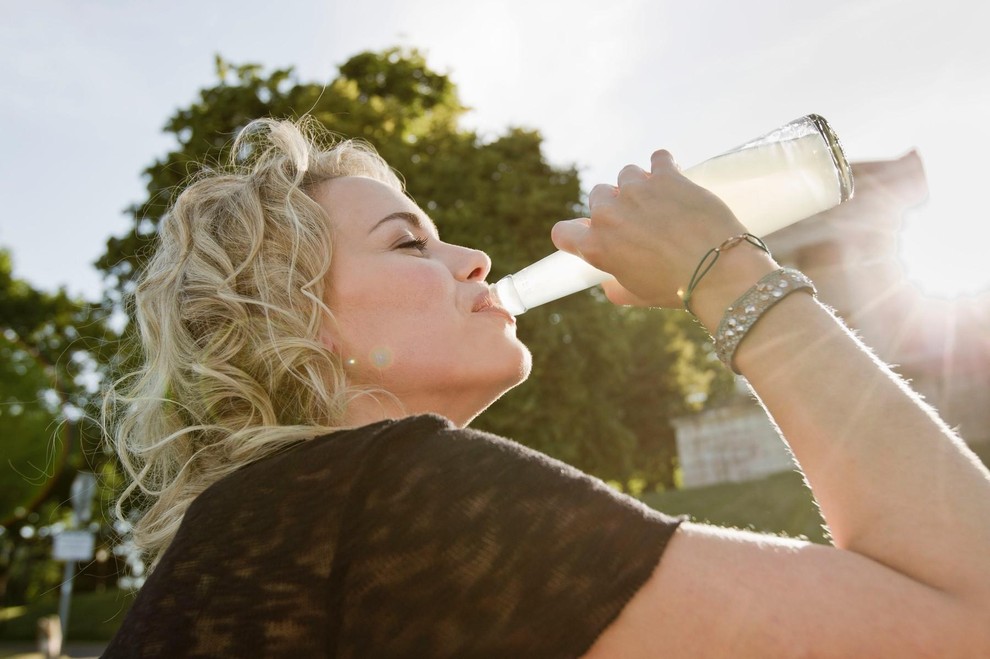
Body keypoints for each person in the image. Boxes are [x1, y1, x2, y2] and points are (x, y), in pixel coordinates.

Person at [101, 118, 990, 658]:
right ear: (302, 323)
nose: (476, 258)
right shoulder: (396, 498)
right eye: (409, 242)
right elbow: (969, 619)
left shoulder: (276, 534)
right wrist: (723, 269)